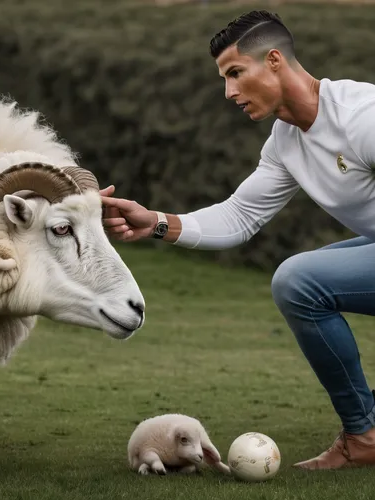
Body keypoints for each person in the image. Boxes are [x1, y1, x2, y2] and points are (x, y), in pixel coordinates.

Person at [99, 9, 375, 470]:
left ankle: (364, 437)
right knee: (309, 278)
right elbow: (240, 215)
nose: (228, 92)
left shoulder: (361, 117)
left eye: (234, 73)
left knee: (300, 280)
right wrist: (157, 223)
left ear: (273, 61)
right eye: (224, 79)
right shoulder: (285, 142)